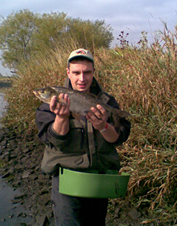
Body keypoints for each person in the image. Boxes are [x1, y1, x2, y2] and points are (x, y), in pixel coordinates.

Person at [35, 48, 131, 225]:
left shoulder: (107, 102)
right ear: (68, 73)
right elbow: (54, 141)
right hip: (67, 181)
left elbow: (118, 138)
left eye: (87, 72)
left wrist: (103, 126)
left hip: (98, 180)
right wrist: (61, 117)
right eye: (76, 72)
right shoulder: (49, 105)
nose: (82, 78)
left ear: (94, 72)